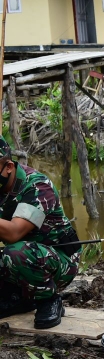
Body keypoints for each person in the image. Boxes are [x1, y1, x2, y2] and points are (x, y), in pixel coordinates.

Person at [0, 136, 81, 328]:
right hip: (17, 259)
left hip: (57, 260)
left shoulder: (37, 187)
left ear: (9, 167)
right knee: (13, 253)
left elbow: (13, 233)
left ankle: (49, 299)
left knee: (17, 252)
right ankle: (17, 298)